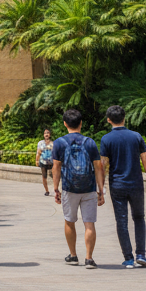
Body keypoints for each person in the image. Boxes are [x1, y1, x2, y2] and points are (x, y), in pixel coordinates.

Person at [99, 105, 146, 269]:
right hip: (136, 184)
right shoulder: (136, 136)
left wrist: (101, 188)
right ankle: (141, 254)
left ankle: (128, 258)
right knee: (139, 218)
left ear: (109, 120)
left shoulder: (106, 139)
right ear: (125, 118)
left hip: (117, 185)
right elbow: (145, 160)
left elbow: (103, 164)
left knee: (121, 221)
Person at [51, 108, 104, 269]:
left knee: (69, 221)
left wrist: (56, 189)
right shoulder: (90, 142)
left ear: (65, 123)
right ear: (81, 123)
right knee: (89, 224)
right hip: (88, 188)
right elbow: (98, 166)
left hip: (69, 187)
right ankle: (89, 258)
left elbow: (56, 167)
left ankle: (73, 256)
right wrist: (101, 189)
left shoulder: (59, 143)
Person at [36, 129, 55, 196]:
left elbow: (55, 153)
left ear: (50, 135)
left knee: (55, 176)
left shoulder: (53, 143)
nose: (46, 134)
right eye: (45, 133)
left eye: (48, 133)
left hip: (51, 162)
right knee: (44, 176)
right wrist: (37, 160)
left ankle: (55, 189)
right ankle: (47, 190)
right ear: (43, 135)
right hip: (43, 161)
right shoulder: (40, 143)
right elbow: (38, 152)